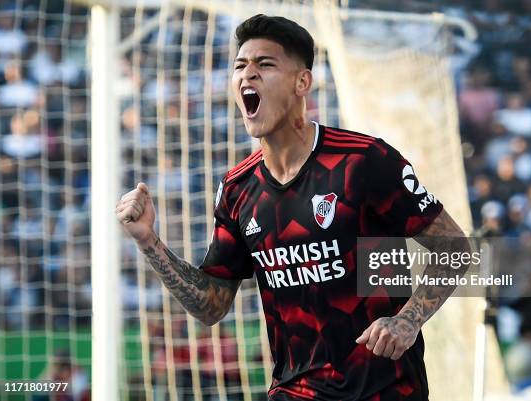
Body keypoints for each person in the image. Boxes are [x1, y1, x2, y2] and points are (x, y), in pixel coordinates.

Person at [116, 14, 469, 401]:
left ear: (302, 82)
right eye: (240, 67)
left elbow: (455, 248)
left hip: (385, 389)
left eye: (264, 64)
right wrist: (150, 241)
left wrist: (407, 320)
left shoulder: (364, 160)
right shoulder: (237, 189)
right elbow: (211, 306)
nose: (247, 75)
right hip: (295, 390)